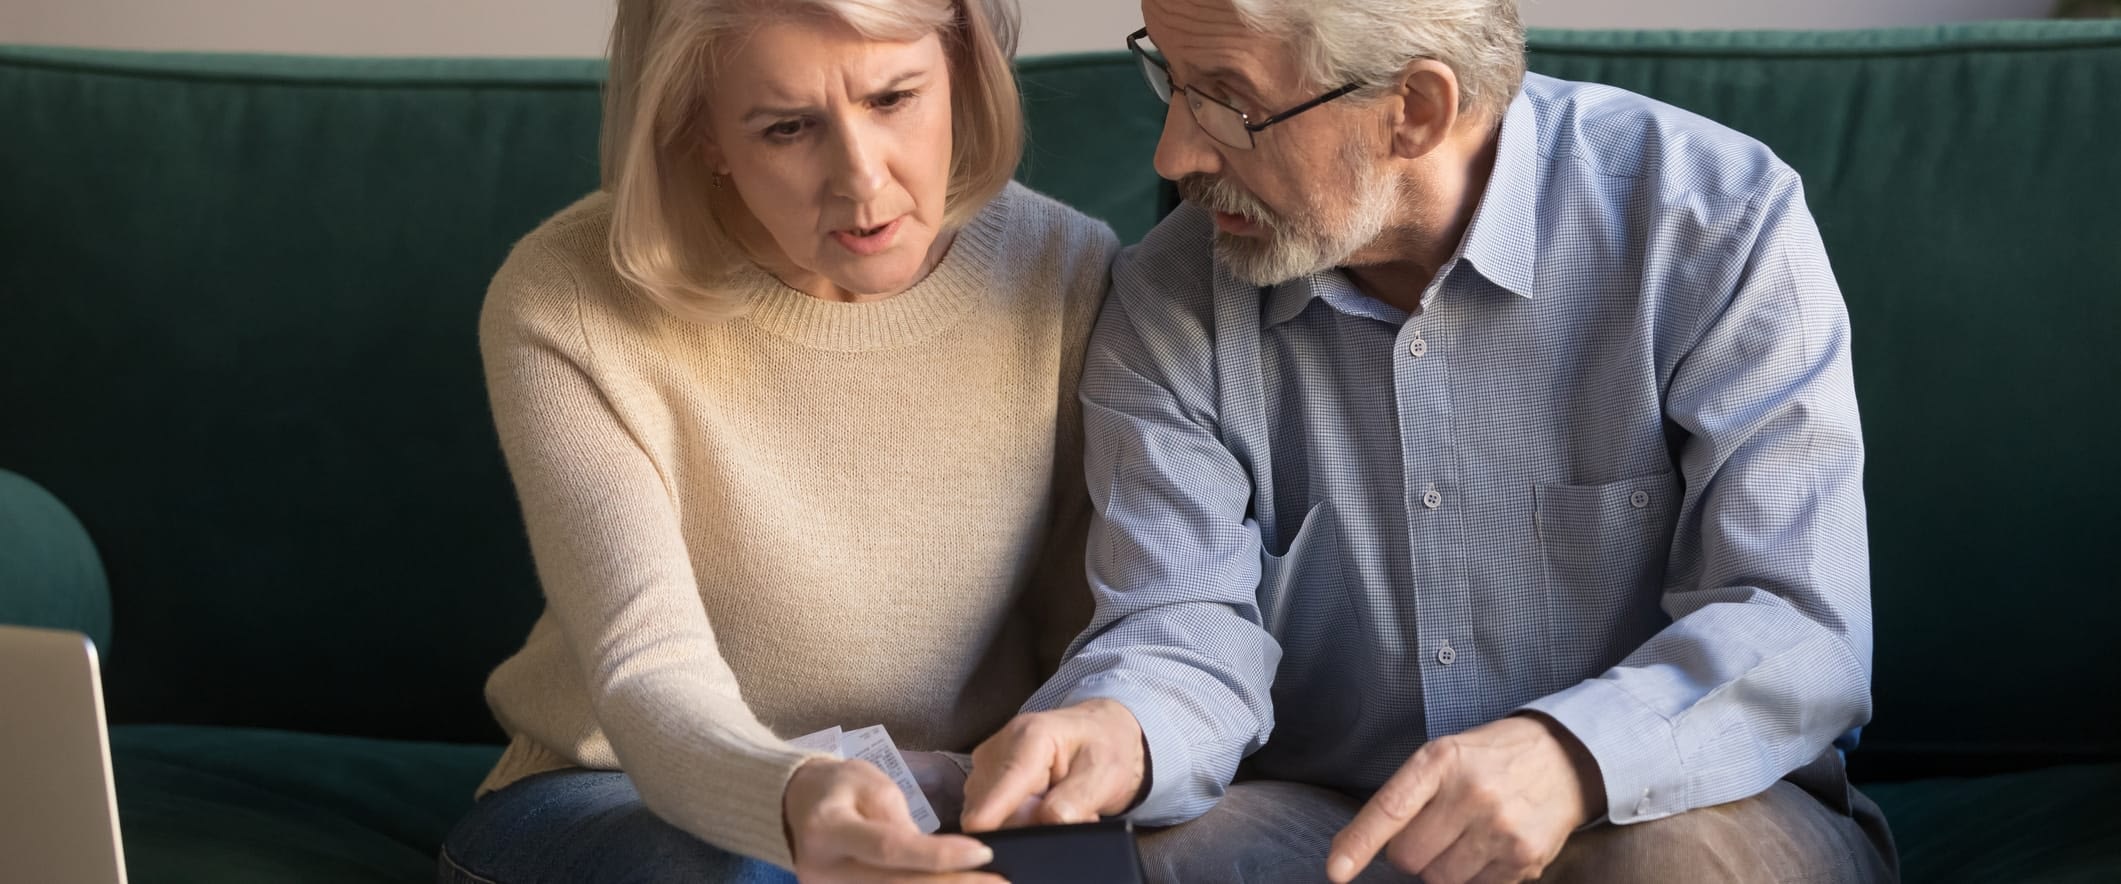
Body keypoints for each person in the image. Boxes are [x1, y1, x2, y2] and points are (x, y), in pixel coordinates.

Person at [960, 0, 1898, 882]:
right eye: (1173, 81)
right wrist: (1119, 727)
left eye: (1230, 104)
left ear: (1413, 109)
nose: (1171, 156)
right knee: (1152, 858)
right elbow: (1180, 625)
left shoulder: (1711, 222)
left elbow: (1796, 621)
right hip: (1341, 823)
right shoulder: (1169, 301)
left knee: (1661, 866)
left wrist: (1572, 755)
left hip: (1669, 806)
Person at [436, 0, 1118, 881]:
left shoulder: (1064, 268)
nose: (863, 181)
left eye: (893, 97)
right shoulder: (566, 300)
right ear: (702, 132)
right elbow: (648, 672)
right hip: (615, 795)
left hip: (953, 795)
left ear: (960, 67)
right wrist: (794, 802)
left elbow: (1094, 636)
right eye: (788, 127)